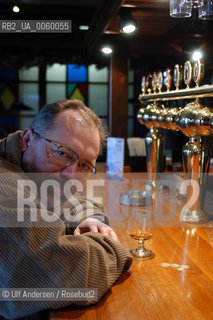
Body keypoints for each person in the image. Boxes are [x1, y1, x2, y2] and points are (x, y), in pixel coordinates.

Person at [0, 99, 133, 319]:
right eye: (62, 153)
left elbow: (65, 197)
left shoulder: (34, 174)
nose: (71, 177)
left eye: (83, 165)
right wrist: (113, 249)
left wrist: (88, 216)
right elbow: (62, 270)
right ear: (27, 139)